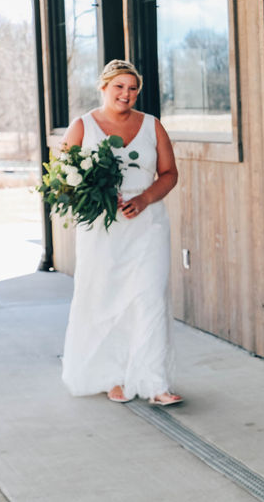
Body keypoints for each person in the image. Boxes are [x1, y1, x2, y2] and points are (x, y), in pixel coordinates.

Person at [60, 59, 182, 406]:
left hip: (148, 225)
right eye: (119, 86)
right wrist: (98, 196)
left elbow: (169, 173)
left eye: (132, 88)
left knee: (150, 298)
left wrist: (144, 199)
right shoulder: (82, 126)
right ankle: (113, 376)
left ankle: (155, 382)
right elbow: (64, 179)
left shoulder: (152, 125)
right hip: (102, 229)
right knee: (106, 298)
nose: (126, 94)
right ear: (103, 87)